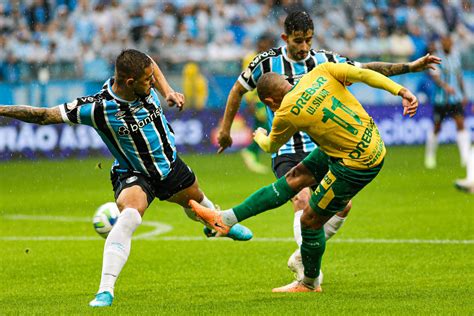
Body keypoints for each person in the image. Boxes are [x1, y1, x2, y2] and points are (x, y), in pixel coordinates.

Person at [0, 49, 253, 307]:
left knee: (195, 202)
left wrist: (167, 92)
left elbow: (150, 62)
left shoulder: (145, 79)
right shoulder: (97, 108)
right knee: (130, 215)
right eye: (147, 80)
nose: (151, 82)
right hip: (134, 173)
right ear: (130, 82)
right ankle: (105, 290)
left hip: (169, 164)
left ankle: (219, 226)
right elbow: (44, 115)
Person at [216, 10, 441, 282]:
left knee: (342, 207)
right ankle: (308, 272)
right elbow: (238, 90)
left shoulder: (323, 60)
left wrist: (408, 67)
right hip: (287, 146)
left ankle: (303, 254)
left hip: (323, 145)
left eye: (308, 40)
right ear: (285, 37)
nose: (304, 47)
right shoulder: (265, 63)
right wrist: (226, 130)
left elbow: (364, 70)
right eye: (298, 41)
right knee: (301, 199)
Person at [189, 62, 419, 292]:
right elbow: (363, 74)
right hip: (366, 142)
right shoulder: (321, 71)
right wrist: (402, 91)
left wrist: (258, 134)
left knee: (309, 221)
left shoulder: (286, 112)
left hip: (356, 163)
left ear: (269, 102)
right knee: (294, 178)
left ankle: (309, 282)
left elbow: (270, 146)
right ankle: (225, 219)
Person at [425, 35, 470, 169]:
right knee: (437, 127)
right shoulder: (436, 58)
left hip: (455, 99)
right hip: (440, 100)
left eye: (449, 42)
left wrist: (464, 95)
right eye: (444, 42)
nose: (447, 44)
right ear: (442, 44)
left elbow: (459, 77)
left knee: (460, 124)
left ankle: (465, 156)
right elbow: (435, 77)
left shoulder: (456, 57)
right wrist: (446, 87)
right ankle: (430, 155)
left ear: (451, 43)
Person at [239, 33, 275, 174]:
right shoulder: (251, 58)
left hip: (265, 96)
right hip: (257, 99)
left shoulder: (269, 57)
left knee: (259, 126)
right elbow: (246, 79)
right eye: (265, 43)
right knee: (265, 125)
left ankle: (252, 155)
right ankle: (250, 151)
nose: (266, 46)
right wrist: (249, 100)